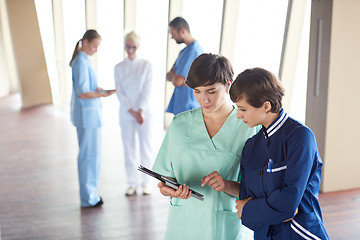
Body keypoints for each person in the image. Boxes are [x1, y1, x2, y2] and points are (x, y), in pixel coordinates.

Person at [202, 67, 329, 239]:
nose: (238, 115)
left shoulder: (300, 137)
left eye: (243, 109)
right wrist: (225, 185)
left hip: (299, 233)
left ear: (266, 106)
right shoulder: (251, 145)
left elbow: (289, 205)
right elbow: (248, 195)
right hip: (264, 233)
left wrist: (248, 209)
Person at [152, 53, 259, 240]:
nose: (204, 100)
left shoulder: (248, 127)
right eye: (197, 91)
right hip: (183, 223)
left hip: (224, 226)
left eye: (211, 91)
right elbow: (164, 181)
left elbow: (256, 188)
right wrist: (170, 190)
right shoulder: (179, 124)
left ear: (228, 84)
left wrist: (226, 185)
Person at [70, 29, 116, 208]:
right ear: (86, 42)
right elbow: (82, 93)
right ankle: (88, 198)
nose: (95, 50)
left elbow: (85, 88)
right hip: (87, 116)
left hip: (88, 116)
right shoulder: (81, 62)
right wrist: (103, 95)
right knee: (88, 157)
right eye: (95, 46)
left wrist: (98, 90)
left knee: (90, 156)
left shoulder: (82, 60)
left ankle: (90, 195)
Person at [114, 31, 153, 196]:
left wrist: (140, 110)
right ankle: (132, 182)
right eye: (127, 47)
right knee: (128, 148)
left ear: (138, 46)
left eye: (133, 47)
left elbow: (147, 90)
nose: (130, 50)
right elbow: (119, 92)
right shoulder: (119, 67)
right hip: (126, 113)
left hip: (144, 113)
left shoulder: (146, 65)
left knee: (146, 147)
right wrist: (131, 111)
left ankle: (145, 182)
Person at [166, 17, 203, 115]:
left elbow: (177, 80)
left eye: (173, 34)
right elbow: (169, 75)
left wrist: (176, 78)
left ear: (182, 31)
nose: (172, 37)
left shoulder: (194, 51)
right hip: (181, 105)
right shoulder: (184, 52)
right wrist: (176, 78)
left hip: (188, 106)